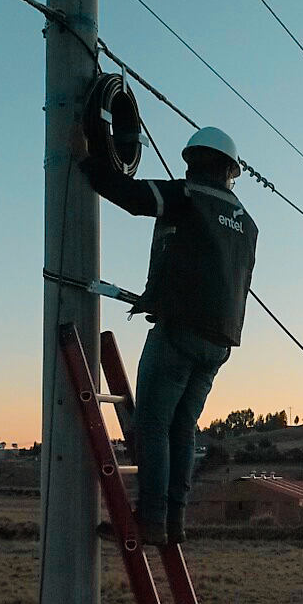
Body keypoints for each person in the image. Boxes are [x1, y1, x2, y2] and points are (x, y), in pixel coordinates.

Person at [79, 125, 257, 547]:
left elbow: (132, 196)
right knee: (183, 428)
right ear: (229, 171)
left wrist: (85, 159)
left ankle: (152, 518)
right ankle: (174, 520)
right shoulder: (247, 224)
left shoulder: (188, 196)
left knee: (153, 426)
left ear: (194, 162)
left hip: (179, 329)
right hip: (220, 341)